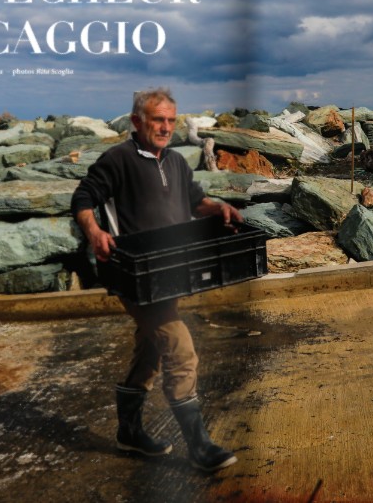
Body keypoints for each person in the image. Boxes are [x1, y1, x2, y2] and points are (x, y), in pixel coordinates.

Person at [71, 87, 243, 472]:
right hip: (135, 276)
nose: (165, 127)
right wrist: (95, 233)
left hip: (170, 274)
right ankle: (199, 447)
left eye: (170, 120)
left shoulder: (179, 162)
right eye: (157, 120)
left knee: (150, 353)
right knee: (180, 349)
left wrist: (219, 206)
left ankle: (129, 433)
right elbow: (82, 199)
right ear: (137, 122)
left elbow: (196, 202)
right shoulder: (116, 160)